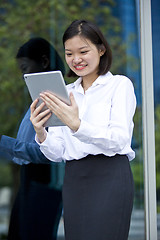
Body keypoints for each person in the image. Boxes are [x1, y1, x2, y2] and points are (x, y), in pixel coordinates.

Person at [30, 20, 137, 240]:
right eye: (69, 53)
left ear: (101, 49)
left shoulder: (119, 85)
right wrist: (41, 132)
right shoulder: (64, 92)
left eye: (83, 51)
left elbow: (118, 140)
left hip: (110, 174)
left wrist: (77, 125)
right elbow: (58, 152)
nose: (76, 59)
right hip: (75, 178)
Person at [0, 37, 65, 240]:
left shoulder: (58, 103)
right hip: (30, 183)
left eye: (25, 68)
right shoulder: (38, 102)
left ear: (44, 62)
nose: (24, 76)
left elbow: (47, 153)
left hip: (43, 184)